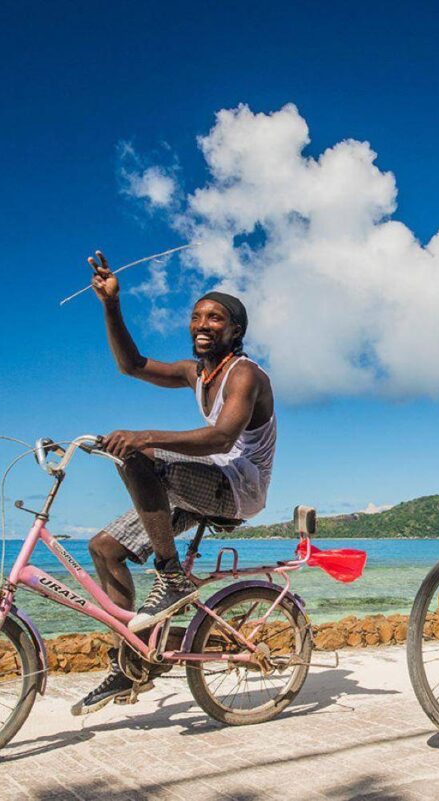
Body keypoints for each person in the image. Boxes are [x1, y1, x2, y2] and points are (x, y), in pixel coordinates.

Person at [73, 251, 277, 714]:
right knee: (106, 548)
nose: (202, 324)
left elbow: (222, 436)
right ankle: (132, 663)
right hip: (199, 480)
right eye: (196, 317)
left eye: (215, 318)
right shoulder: (195, 373)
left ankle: (170, 577)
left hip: (239, 487)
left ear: (235, 331)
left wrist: (146, 437)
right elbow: (132, 365)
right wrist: (111, 305)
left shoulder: (245, 374)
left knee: (141, 452)